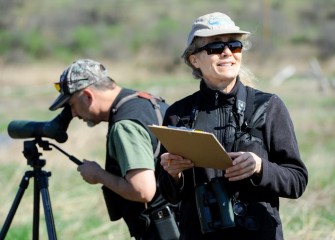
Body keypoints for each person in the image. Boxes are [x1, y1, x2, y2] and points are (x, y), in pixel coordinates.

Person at [157, 12, 308, 240]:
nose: (227, 52)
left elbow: (297, 181)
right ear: (194, 59)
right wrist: (173, 174)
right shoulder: (179, 114)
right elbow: (168, 194)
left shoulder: (268, 106)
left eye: (235, 46)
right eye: (215, 47)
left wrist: (260, 168)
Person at [49, 59, 179, 240]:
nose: (74, 114)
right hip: (184, 222)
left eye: (72, 105)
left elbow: (142, 190)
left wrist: (98, 175)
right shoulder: (146, 101)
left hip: (163, 230)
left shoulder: (125, 125)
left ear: (88, 95)